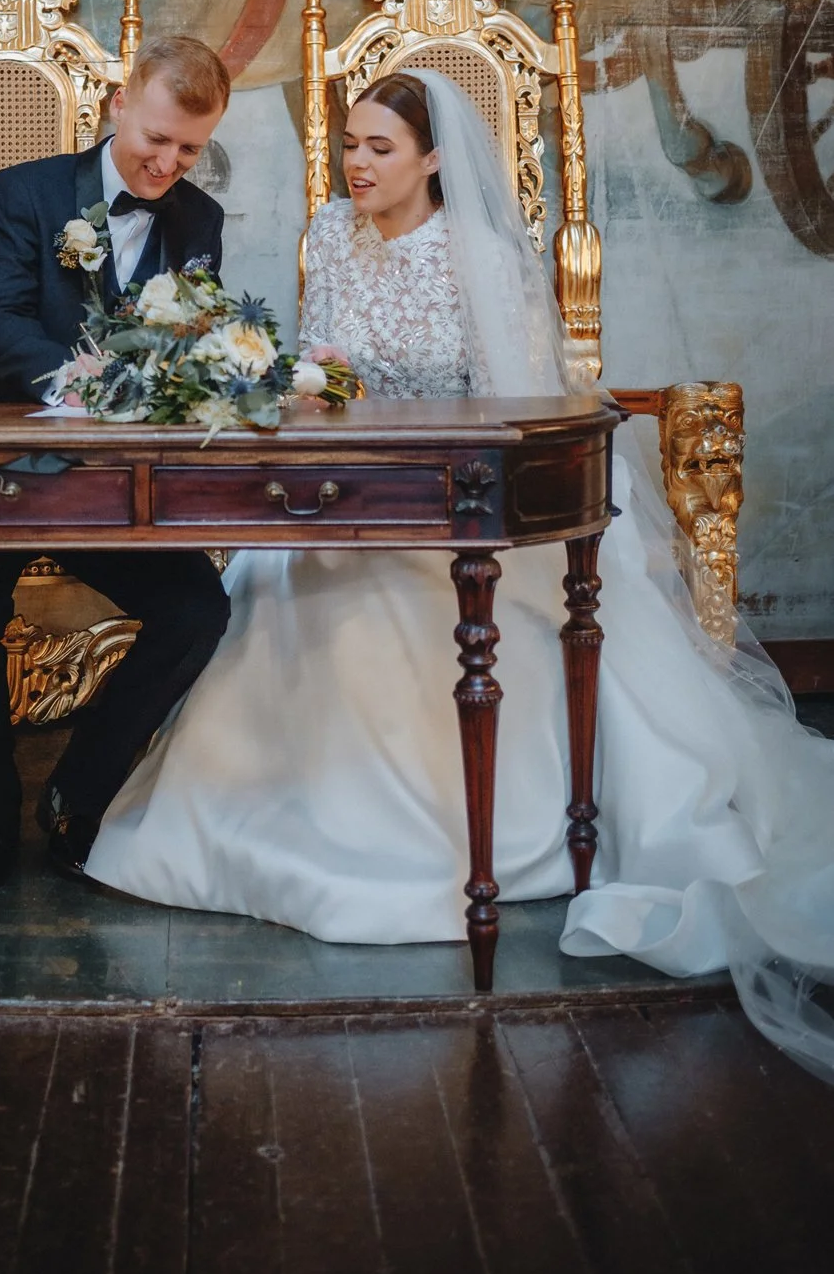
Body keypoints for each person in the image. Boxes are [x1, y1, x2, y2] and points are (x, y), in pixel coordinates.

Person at [87, 69, 834, 1081]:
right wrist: (303, 392)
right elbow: (323, 364)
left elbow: (515, 408)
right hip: (344, 492)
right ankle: (253, 825)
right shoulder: (330, 236)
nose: (357, 163)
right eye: (350, 143)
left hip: (459, 502)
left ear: (434, 159)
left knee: (391, 608)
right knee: (273, 589)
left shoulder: (477, 253)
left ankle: (461, 839)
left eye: (380, 148)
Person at [0, 33, 233, 903]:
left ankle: (78, 791)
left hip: (114, 481)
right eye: (155, 139)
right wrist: (80, 382)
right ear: (116, 106)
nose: (167, 163)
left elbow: (186, 345)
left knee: (197, 608)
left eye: (188, 149)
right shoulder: (27, 191)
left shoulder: (199, 221)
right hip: (3, 464)